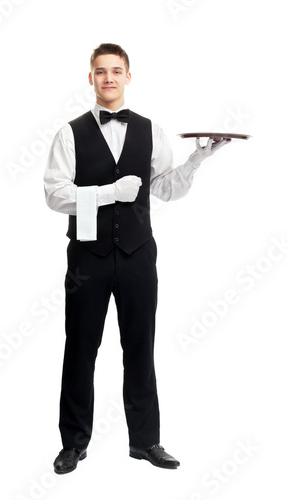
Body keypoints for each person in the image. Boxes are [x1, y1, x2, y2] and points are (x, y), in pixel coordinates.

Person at [44, 42, 228, 474]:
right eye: (101, 71)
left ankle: (146, 443)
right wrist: (110, 193)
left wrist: (198, 159)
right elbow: (55, 195)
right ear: (90, 78)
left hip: (138, 254)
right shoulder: (69, 133)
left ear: (129, 76)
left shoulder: (151, 130)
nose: (109, 78)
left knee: (140, 348)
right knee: (80, 349)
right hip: (87, 255)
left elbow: (165, 187)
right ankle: (73, 444)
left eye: (116, 70)